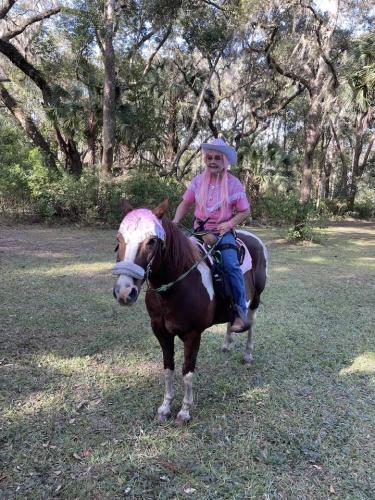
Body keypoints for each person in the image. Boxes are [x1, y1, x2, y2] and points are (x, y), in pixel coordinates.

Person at [173, 138, 251, 333]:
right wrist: (174, 222)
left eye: (217, 157)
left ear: (225, 161)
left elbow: (245, 211)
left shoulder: (234, 184)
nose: (213, 161)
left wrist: (230, 223)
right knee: (178, 258)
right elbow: (185, 203)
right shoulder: (197, 181)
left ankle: (240, 313)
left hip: (222, 233)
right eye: (209, 157)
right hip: (198, 231)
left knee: (231, 265)